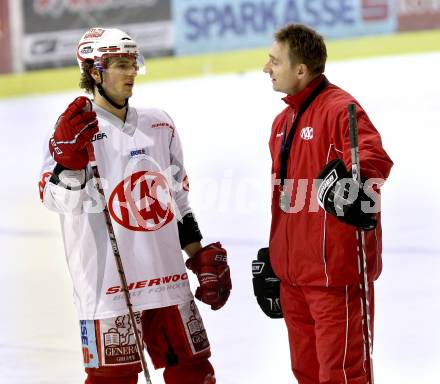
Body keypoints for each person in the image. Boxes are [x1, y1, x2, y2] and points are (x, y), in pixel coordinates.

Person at [39, 27, 231, 384]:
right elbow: (58, 202)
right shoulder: (70, 131)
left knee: (195, 373)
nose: (131, 73)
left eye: (133, 63)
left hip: (168, 280)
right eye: (121, 65)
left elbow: (177, 201)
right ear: (95, 72)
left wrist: (197, 252)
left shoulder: (160, 124)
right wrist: (68, 161)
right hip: (110, 290)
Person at [252, 24, 393, 384]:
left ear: (301, 70)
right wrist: (276, 257)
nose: (266, 68)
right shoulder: (281, 123)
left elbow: (372, 159)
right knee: (307, 374)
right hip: (295, 278)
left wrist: (357, 190)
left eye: (274, 61)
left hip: (336, 278)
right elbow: (284, 199)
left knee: (342, 376)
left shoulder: (339, 108)